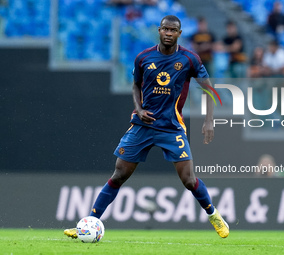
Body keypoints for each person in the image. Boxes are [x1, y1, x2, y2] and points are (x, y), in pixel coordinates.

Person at [64, 15, 229, 239]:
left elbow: (209, 89)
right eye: (165, 29)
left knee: (189, 180)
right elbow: (135, 85)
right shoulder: (143, 57)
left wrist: (209, 121)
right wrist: (139, 109)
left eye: (173, 30)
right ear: (159, 31)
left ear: (179, 34)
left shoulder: (190, 59)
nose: (169, 33)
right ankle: (89, 222)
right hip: (143, 125)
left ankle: (213, 214)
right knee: (119, 174)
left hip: (171, 127)